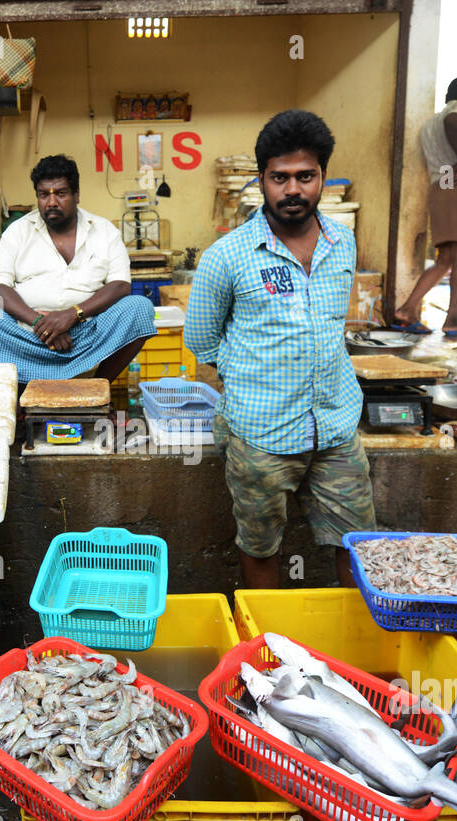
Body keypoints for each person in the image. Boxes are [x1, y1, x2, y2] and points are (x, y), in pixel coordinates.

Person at [185, 109, 375, 589]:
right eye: (280, 178)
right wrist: (250, 376)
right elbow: (201, 340)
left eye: (305, 176)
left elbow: (331, 326)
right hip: (260, 435)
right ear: (262, 180)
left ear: (322, 178)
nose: (293, 190)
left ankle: (352, 655)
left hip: (335, 425)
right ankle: (268, 658)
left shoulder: (344, 243)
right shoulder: (226, 257)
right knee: (260, 547)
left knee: (358, 548)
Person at [0, 155, 156, 382]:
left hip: (87, 332)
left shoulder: (104, 231)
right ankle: (16, 391)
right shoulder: (17, 231)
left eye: (61, 193)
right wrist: (39, 324)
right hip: (26, 335)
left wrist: (72, 315)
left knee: (140, 308)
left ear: (76, 195)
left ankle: (96, 387)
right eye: (43, 195)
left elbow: (120, 285)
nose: (51, 202)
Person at [392, 76, 457, 338]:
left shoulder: (430, 124)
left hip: (443, 186)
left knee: (446, 259)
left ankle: (407, 310)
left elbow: (445, 169)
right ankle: (453, 320)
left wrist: (454, 166)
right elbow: (454, 123)